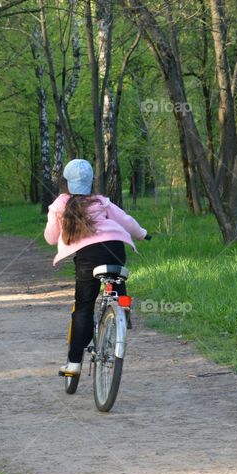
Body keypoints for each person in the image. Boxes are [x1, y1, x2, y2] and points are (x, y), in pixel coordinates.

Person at [44, 159, 148, 376]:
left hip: (87, 258)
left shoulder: (61, 204)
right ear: (91, 182)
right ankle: (121, 309)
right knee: (116, 279)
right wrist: (143, 234)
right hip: (115, 248)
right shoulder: (101, 202)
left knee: (84, 305)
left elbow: (51, 238)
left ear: (65, 182)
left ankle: (74, 364)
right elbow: (127, 221)